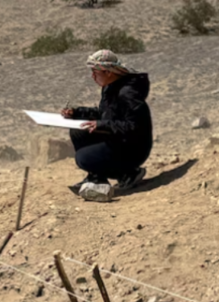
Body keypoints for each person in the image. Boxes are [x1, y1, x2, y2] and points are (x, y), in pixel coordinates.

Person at [61, 50, 153, 200]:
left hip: (134, 148)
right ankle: (96, 177)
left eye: (95, 72)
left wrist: (102, 125)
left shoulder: (128, 93)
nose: (92, 77)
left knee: (83, 158)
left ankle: (128, 173)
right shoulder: (110, 87)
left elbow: (135, 127)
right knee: (78, 132)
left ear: (108, 73)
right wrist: (77, 113)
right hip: (119, 139)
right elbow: (104, 113)